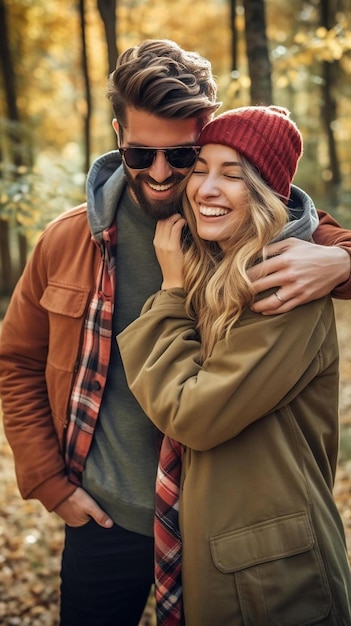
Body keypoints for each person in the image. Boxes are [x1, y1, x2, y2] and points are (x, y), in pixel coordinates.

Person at [0, 39, 350, 626]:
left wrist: (345, 262)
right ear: (117, 135)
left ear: (206, 135)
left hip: (216, 520)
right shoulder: (68, 240)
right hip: (107, 517)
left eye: (182, 156)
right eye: (140, 154)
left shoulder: (237, 220)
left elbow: (303, 227)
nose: (161, 175)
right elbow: (15, 361)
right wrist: (50, 483)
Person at [117, 106, 351, 626]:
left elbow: (193, 413)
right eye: (200, 168)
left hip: (272, 577)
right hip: (225, 551)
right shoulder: (222, 269)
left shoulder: (283, 285)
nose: (206, 187)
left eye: (233, 175)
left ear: (268, 194)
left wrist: (171, 294)